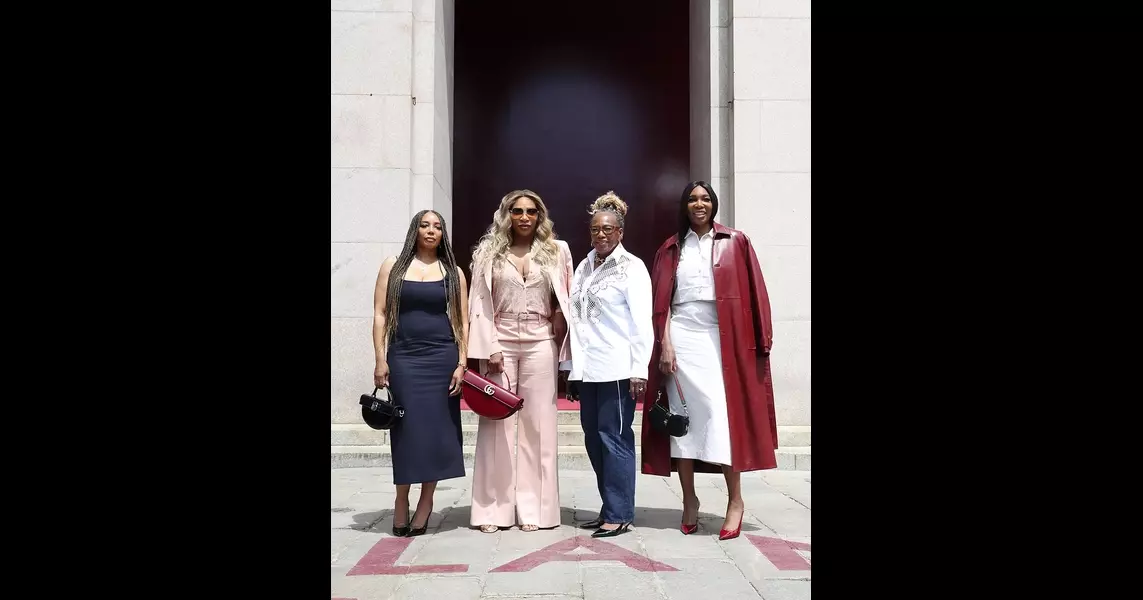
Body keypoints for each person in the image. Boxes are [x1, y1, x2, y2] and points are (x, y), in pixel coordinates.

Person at [640, 181, 778, 541]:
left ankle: (736, 501)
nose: (698, 204)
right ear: (684, 206)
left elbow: (756, 291)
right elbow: (661, 304)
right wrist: (665, 346)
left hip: (723, 340)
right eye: (692, 199)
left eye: (705, 199)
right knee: (682, 423)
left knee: (721, 418)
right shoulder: (671, 248)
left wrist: (762, 339)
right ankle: (690, 501)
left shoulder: (736, 241)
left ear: (713, 204)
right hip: (683, 337)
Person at [466, 189, 574, 533]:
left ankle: (536, 511)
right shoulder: (488, 253)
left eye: (531, 211)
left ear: (540, 216)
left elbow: (568, 296)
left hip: (541, 339)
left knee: (538, 425)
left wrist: (558, 314)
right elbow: (478, 302)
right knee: (496, 425)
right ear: (506, 214)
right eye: (517, 211)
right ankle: (491, 512)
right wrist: (489, 347)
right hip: (500, 339)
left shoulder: (558, 251)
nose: (524, 217)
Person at [372, 209, 469, 537]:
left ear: (443, 234)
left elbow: (462, 320)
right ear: (415, 229)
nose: (431, 231)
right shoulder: (393, 266)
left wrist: (462, 362)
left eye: (437, 226)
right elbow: (380, 313)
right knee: (407, 430)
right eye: (425, 225)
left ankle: (426, 502)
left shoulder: (453, 271)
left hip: (442, 356)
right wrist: (379, 359)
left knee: (436, 431)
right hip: (403, 356)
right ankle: (402, 500)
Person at [562, 191, 653, 538]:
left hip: (617, 368)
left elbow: (642, 324)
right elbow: (576, 320)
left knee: (613, 438)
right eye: (596, 229)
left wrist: (639, 369)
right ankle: (608, 507)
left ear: (620, 233)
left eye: (608, 229)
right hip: (588, 369)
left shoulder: (632, 268)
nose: (601, 235)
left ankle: (620, 512)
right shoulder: (584, 266)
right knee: (592, 440)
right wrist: (571, 368)